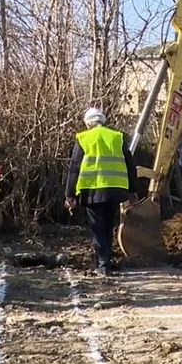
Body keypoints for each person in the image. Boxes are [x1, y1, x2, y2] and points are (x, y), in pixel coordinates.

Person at [65, 107, 138, 277]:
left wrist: (70, 194)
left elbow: (74, 167)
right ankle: (105, 261)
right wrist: (133, 190)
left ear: (87, 123)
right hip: (115, 189)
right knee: (107, 226)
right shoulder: (117, 137)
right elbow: (130, 165)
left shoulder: (83, 138)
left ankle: (102, 264)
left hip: (92, 190)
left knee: (97, 227)